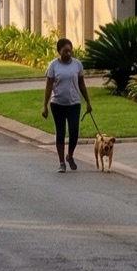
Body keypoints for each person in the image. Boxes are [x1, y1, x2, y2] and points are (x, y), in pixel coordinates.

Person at [40, 38, 91, 173]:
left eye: (70, 50)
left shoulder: (77, 65)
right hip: (57, 104)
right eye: (65, 51)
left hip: (74, 103)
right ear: (59, 51)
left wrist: (88, 102)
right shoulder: (53, 66)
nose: (68, 53)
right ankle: (61, 162)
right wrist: (44, 105)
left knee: (74, 132)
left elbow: (81, 84)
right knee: (60, 132)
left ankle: (70, 155)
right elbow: (49, 86)